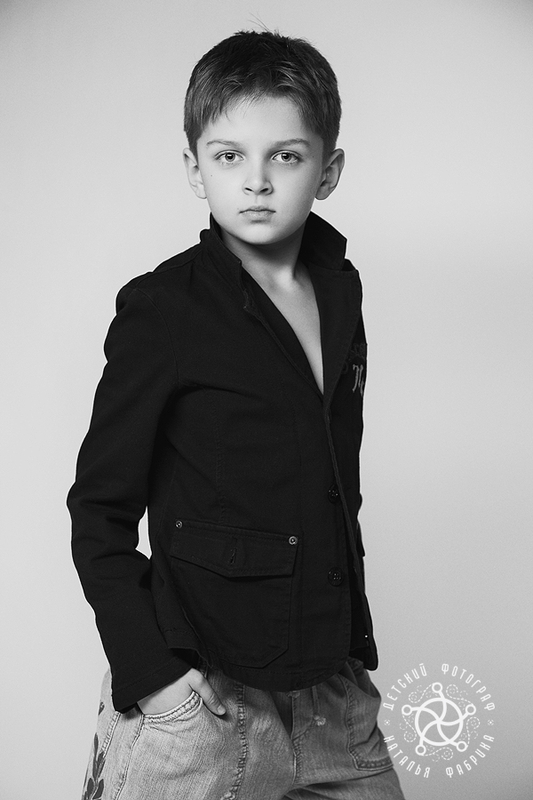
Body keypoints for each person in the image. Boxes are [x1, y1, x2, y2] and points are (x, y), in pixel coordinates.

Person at [68, 29, 405, 800]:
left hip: (332, 698)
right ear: (195, 169)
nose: (256, 181)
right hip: (201, 708)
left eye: (285, 156)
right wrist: (157, 680)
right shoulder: (165, 308)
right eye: (228, 156)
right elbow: (98, 511)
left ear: (327, 171)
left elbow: (331, 483)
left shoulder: (341, 291)